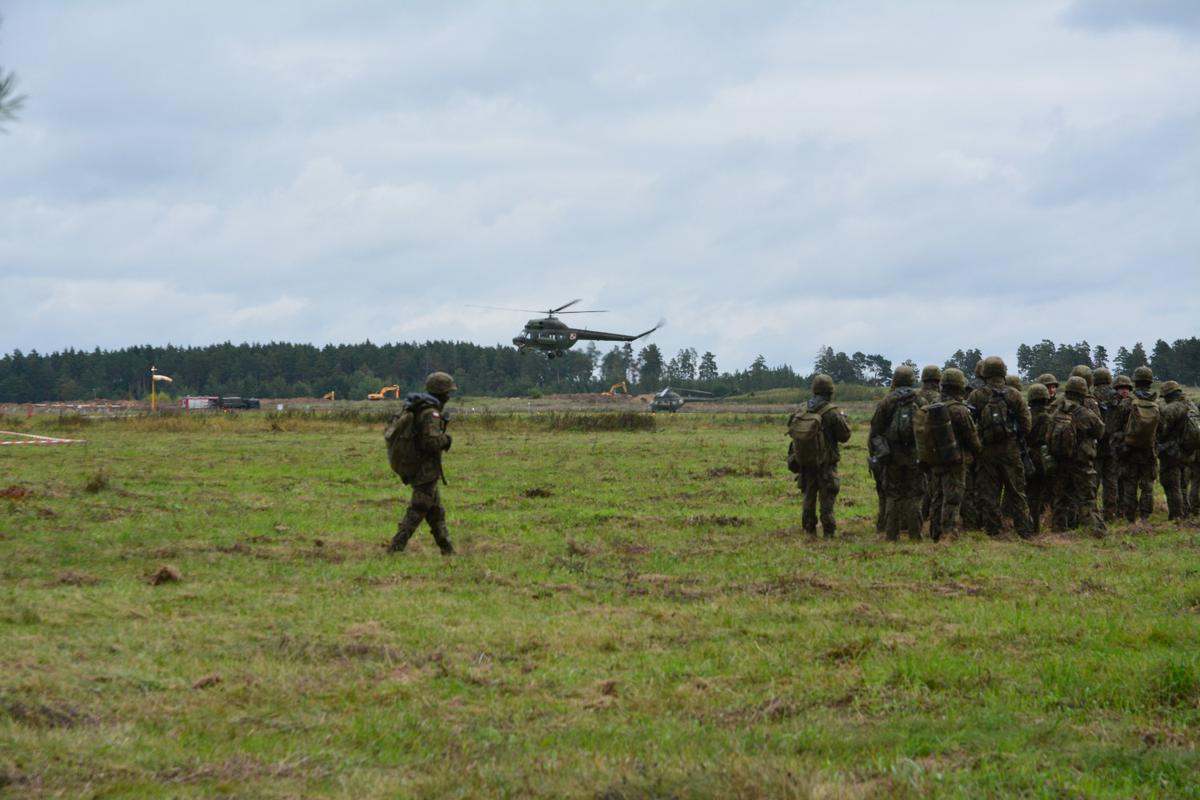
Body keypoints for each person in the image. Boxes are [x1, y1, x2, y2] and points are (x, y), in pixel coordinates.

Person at [387, 372, 457, 555]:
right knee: (418, 509)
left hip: (420, 468)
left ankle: (448, 550)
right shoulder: (430, 413)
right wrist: (447, 440)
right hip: (424, 469)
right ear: (442, 394)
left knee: (436, 513)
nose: (449, 397)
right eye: (448, 393)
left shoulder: (418, 407)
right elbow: (430, 442)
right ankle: (395, 548)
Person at [967, 356, 1034, 538]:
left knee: (989, 494)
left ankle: (992, 531)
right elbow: (1026, 425)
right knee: (1017, 492)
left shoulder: (976, 395)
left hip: (986, 451)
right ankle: (1024, 532)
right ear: (1003, 372)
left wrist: (978, 445)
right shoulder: (1014, 394)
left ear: (984, 373)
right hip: (1010, 450)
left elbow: (969, 425)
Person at [787, 374, 852, 537]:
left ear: (814, 390)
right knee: (827, 499)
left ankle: (809, 530)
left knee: (808, 496)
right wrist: (844, 419)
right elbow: (844, 436)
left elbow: (791, 429)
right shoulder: (832, 412)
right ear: (830, 391)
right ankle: (828, 532)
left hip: (805, 461)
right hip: (826, 463)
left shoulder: (801, 409)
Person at [871, 365, 928, 541]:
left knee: (893, 494)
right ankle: (915, 534)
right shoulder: (920, 401)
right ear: (912, 380)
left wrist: (880, 455)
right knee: (914, 494)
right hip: (914, 455)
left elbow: (876, 431)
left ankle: (891, 535)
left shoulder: (886, 402)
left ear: (894, 380)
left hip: (892, 456)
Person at [926, 368, 981, 541]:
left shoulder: (931, 406)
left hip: (935, 459)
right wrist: (977, 450)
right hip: (956, 461)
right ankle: (949, 534)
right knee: (953, 498)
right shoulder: (960, 410)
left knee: (937, 496)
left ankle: (935, 532)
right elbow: (972, 439)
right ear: (959, 387)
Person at [1046, 376, 1106, 536]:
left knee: (1061, 498)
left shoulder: (1057, 410)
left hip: (1060, 460)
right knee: (1087, 498)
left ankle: (1058, 531)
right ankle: (1096, 531)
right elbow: (1100, 431)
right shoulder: (1084, 413)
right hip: (1081, 463)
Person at [1112, 366, 1159, 523]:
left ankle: (1130, 519)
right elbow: (1162, 428)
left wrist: (1120, 446)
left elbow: (1115, 428)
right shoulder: (1156, 403)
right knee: (1147, 487)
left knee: (1129, 486)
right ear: (1150, 382)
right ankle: (1145, 518)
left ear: (1135, 381)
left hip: (1129, 451)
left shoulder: (1126, 403)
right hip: (1149, 452)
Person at [1156, 380, 1193, 522]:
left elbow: (1163, 425)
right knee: (1183, 484)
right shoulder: (1190, 404)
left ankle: (1176, 515)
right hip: (1187, 450)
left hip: (1172, 452)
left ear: (1168, 395)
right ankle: (1186, 512)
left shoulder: (1174, 407)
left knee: (1171, 484)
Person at [1091, 368, 1121, 520]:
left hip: (1097, 443)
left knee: (1094, 480)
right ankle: (1111, 512)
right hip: (1113, 443)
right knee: (1111, 480)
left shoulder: (1092, 396)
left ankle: (1093, 512)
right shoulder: (1117, 396)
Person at [1026, 382, 1052, 533]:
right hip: (1043, 459)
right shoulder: (1048, 418)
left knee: (1030, 494)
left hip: (1027, 458)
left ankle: (1031, 526)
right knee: (1044, 493)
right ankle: (1040, 526)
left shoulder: (1026, 415)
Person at [918, 365, 943, 523]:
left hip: (916, 445)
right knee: (935, 483)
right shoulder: (939, 398)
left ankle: (919, 515)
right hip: (935, 446)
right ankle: (930, 516)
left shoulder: (916, 397)